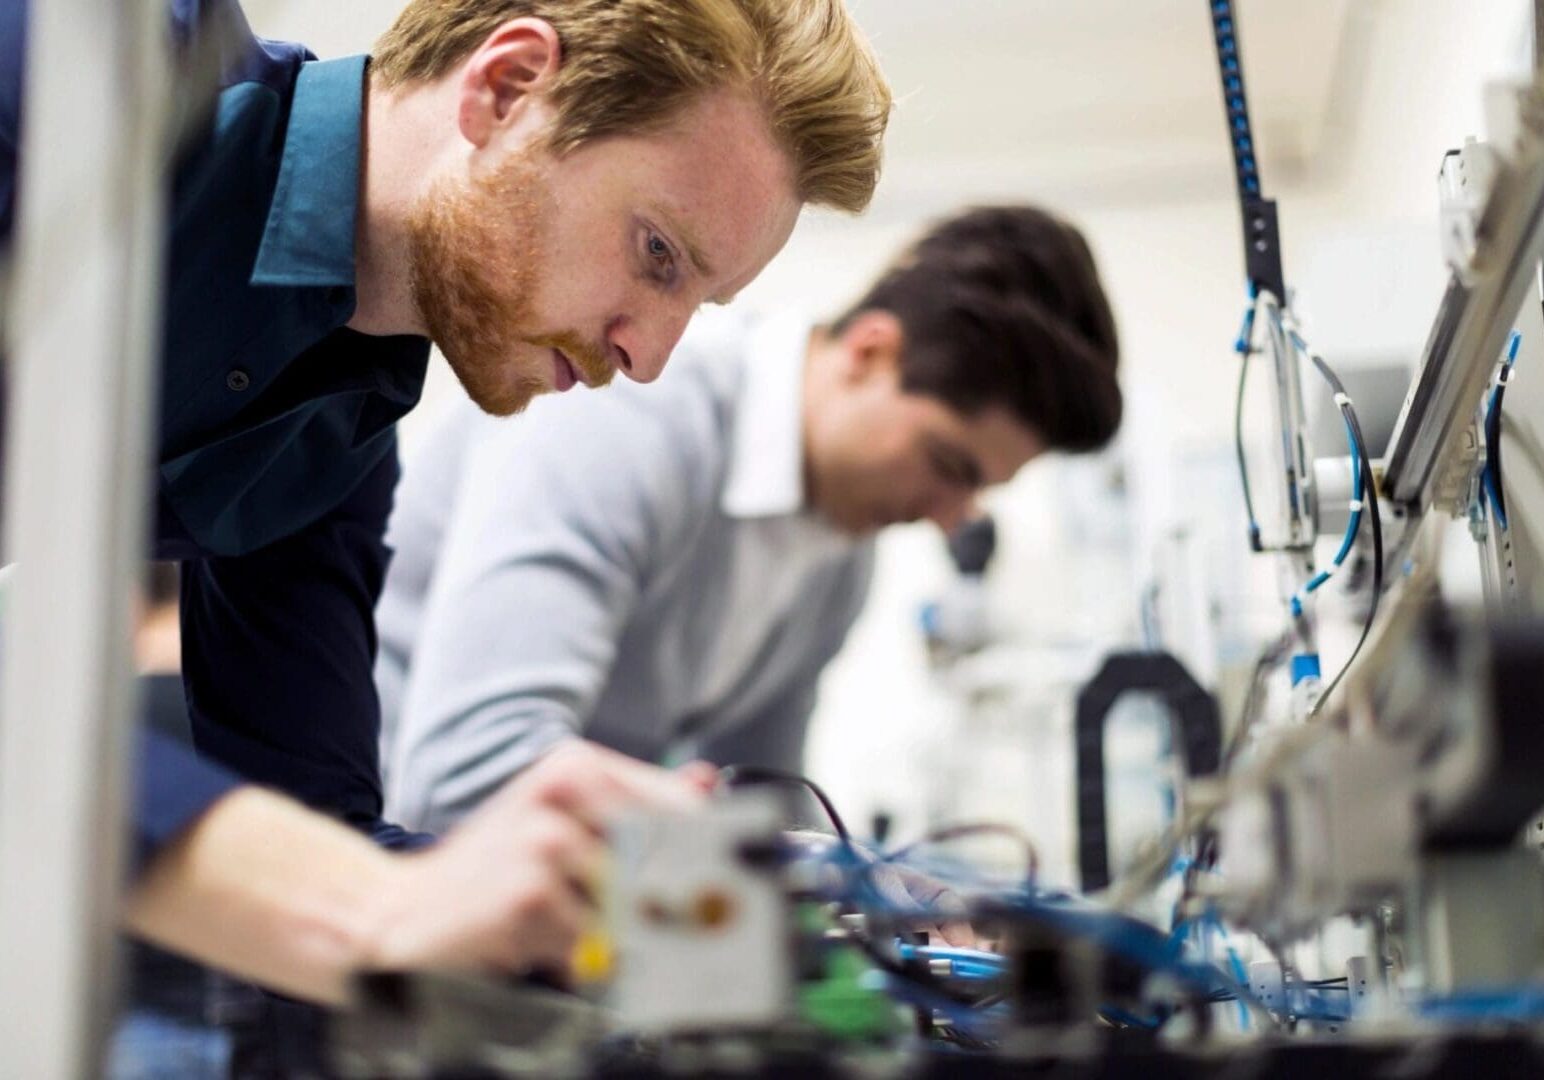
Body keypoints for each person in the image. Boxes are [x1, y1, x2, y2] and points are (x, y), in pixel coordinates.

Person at [0, 0, 890, 999]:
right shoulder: (76, 56)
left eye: (696, 302)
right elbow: (337, 895)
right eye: (656, 256)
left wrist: (584, 891)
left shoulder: (332, 444)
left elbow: (317, 835)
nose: (650, 357)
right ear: (506, 89)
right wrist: (357, 903)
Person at [377, 205, 1122, 833]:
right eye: (950, 465)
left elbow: (765, 801)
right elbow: (466, 776)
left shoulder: (838, 555)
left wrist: (872, 894)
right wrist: (798, 872)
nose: (951, 518)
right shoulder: (633, 410)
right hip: (356, 887)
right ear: (870, 352)